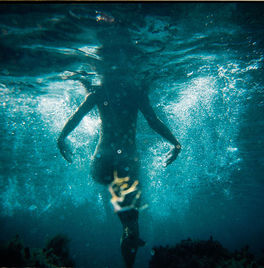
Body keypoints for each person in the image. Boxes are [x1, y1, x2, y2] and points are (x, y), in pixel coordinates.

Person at [57, 13, 181, 268]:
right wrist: (175, 143)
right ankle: (128, 252)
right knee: (130, 224)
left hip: (101, 160)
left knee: (120, 203)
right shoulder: (135, 91)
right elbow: (153, 122)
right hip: (126, 161)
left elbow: (76, 117)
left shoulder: (99, 91)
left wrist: (61, 137)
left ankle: (123, 220)